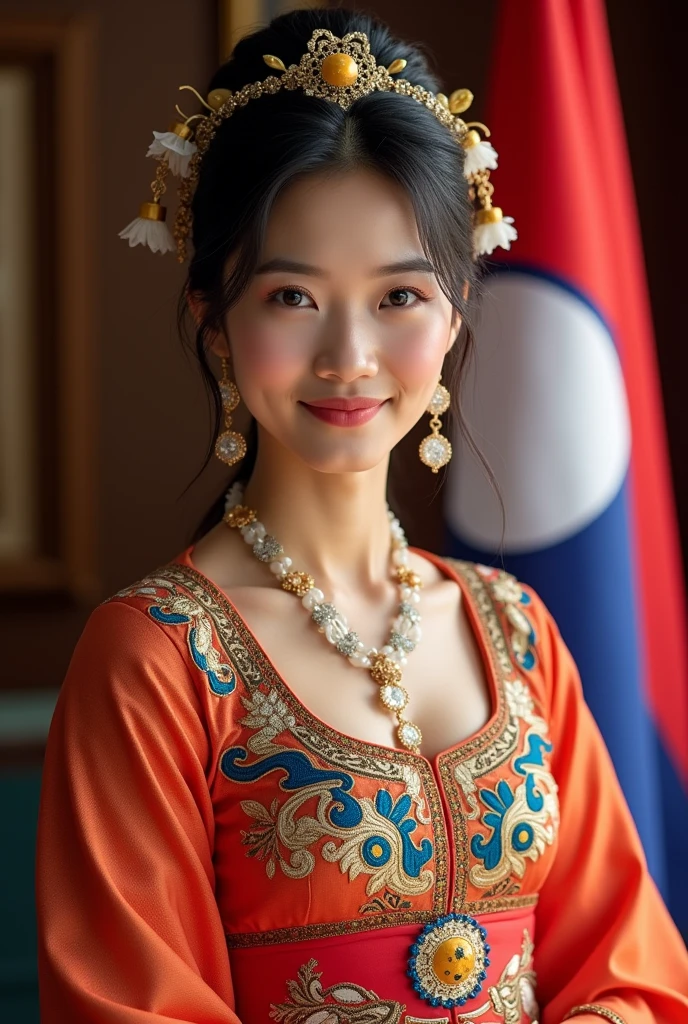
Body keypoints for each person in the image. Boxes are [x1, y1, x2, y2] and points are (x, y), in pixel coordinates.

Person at [35, 7, 688, 1023]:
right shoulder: (154, 659)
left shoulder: (515, 628)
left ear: (459, 307)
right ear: (215, 319)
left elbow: (628, 966)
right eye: (292, 297)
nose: (348, 357)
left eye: (399, 296)